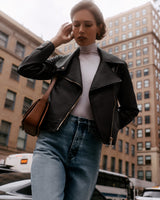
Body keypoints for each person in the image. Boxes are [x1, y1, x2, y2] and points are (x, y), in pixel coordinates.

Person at [18, 1, 139, 200]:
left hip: (90, 146)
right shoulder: (60, 62)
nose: (81, 30)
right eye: (76, 24)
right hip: (52, 141)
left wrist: (106, 126)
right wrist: (55, 41)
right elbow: (26, 68)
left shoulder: (117, 66)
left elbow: (130, 108)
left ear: (99, 27)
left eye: (88, 24)